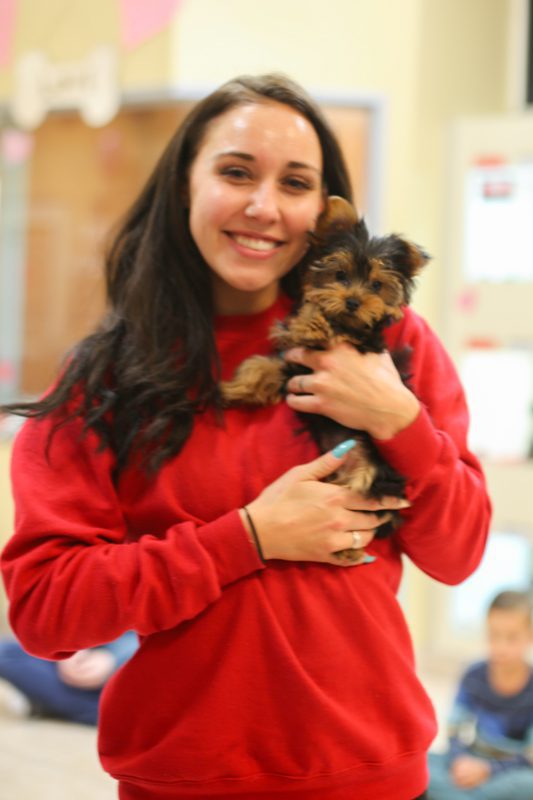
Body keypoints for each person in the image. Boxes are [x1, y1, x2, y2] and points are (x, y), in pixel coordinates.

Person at [0, 73, 491, 800]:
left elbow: (459, 553)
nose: (264, 208)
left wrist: (398, 421)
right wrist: (248, 538)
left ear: (321, 214)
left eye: (294, 184)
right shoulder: (106, 375)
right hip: (182, 779)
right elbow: (46, 612)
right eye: (235, 172)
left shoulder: (387, 343)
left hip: (371, 774)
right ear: (182, 188)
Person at [428, 590, 533, 799]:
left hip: (513, 769)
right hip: (472, 756)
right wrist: (459, 761)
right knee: (420, 765)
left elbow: (530, 755)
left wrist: (488, 770)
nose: (501, 647)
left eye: (511, 638)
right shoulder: (473, 675)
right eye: (494, 636)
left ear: (530, 636)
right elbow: (454, 731)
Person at [0, 631, 138, 724]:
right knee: (6, 652)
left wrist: (114, 660)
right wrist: (70, 648)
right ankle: (49, 701)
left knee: (129, 713)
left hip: (132, 670)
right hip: (83, 656)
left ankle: (46, 701)